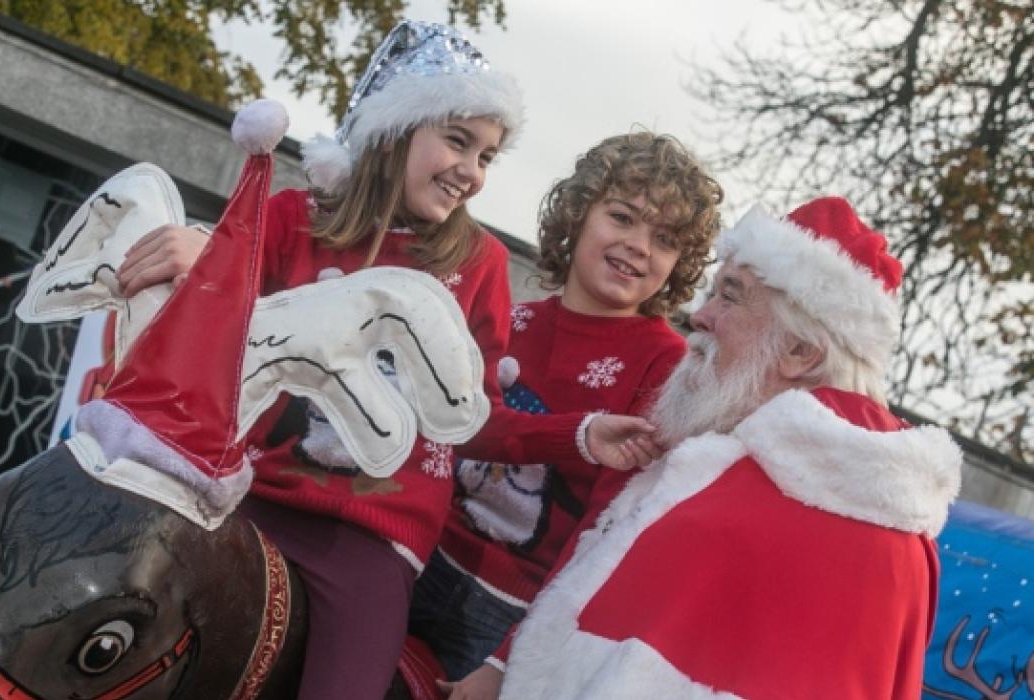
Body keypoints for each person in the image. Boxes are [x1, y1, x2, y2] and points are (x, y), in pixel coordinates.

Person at [116, 20, 655, 700]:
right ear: (396, 127)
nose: (472, 171)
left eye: (488, 155)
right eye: (458, 140)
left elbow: (473, 421)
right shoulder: (290, 218)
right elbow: (211, 349)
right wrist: (210, 264)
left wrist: (575, 434)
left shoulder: (477, 263)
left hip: (370, 542)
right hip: (244, 500)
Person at [494, 196, 963, 699]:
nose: (700, 317)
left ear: (799, 353)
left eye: (730, 297)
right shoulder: (892, 523)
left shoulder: (742, 496)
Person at [408, 131, 724, 699]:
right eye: (623, 217)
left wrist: (506, 663)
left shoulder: (665, 367)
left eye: (666, 239)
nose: (638, 246)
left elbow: (605, 531)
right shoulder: (510, 320)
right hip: (417, 556)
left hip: (508, 613)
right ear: (578, 213)